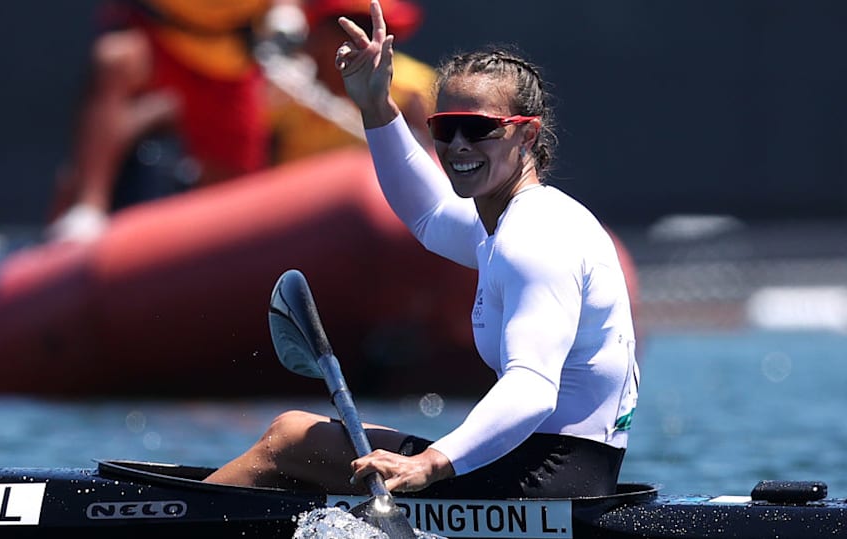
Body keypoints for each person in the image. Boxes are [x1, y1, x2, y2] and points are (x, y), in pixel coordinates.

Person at [204, 0, 638, 498]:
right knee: (303, 456)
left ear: (527, 134)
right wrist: (374, 105)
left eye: (478, 129)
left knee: (288, 439)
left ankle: (161, 519)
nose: (457, 145)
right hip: (550, 468)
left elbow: (534, 387)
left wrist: (431, 463)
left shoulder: (534, 238)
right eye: (443, 128)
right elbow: (428, 215)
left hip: (547, 481)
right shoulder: (510, 222)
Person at [47, 0, 306, 241]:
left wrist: (286, 13)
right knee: (114, 59)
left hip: (231, 63)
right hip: (159, 39)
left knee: (236, 203)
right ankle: (86, 209)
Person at [265, 0, 435, 164]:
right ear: (320, 32)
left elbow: (432, 162)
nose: (360, 39)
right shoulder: (281, 89)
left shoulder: (411, 87)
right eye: (345, 28)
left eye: (369, 28)